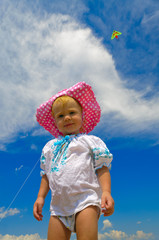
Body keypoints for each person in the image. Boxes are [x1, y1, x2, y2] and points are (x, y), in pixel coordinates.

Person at [33, 82, 114, 240]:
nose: (67, 117)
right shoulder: (50, 147)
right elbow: (46, 175)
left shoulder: (89, 141)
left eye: (72, 112)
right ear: (55, 122)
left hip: (86, 200)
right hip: (58, 207)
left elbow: (102, 167)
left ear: (82, 115)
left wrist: (106, 192)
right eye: (60, 116)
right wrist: (40, 197)